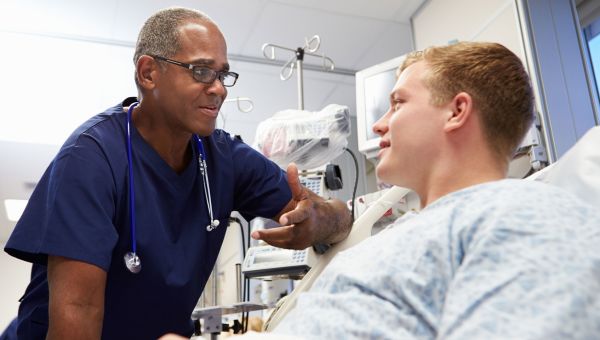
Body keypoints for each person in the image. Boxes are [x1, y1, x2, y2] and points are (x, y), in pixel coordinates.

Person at [3, 7, 351, 340]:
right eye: (201, 71)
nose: (219, 88)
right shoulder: (91, 159)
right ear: (148, 73)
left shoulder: (225, 157)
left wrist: (318, 221)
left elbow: (338, 215)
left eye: (222, 74)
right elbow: (78, 313)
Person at [264, 42, 600, 338]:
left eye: (397, 104)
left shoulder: (519, 219)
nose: (379, 124)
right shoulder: (412, 231)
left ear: (456, 112)